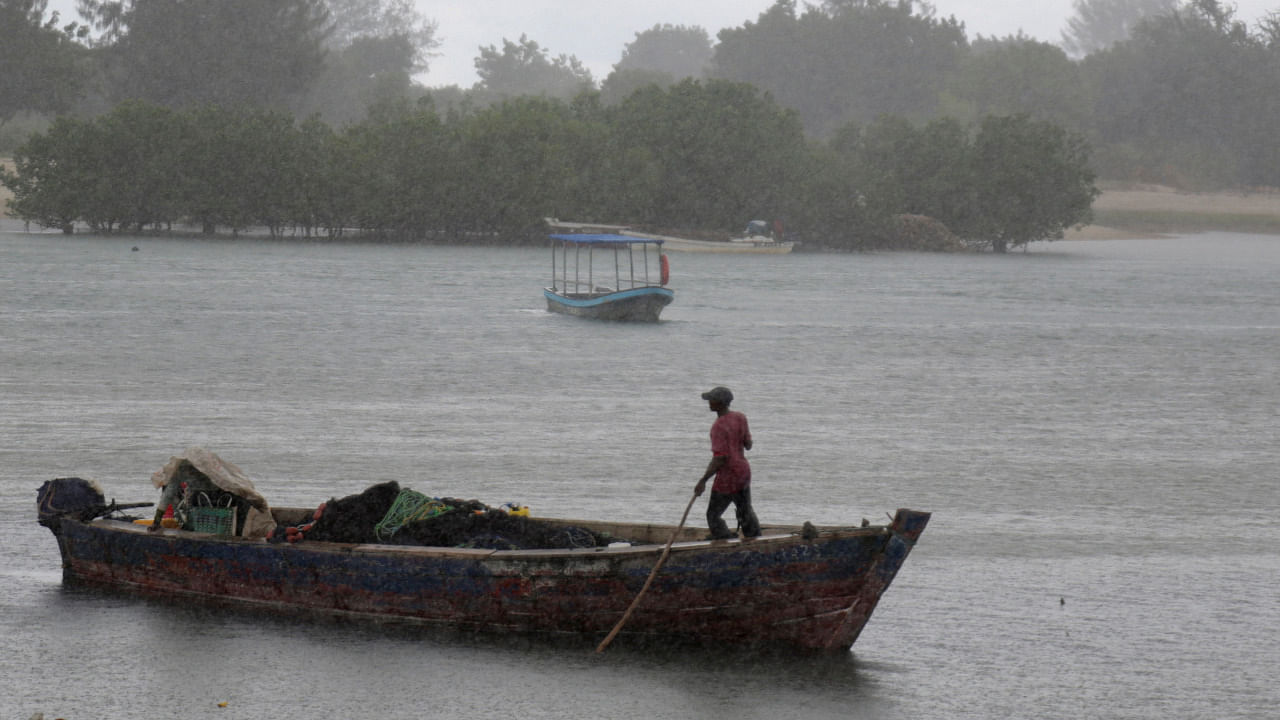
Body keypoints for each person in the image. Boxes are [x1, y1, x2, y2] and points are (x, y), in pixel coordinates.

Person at [693, 386, 761, 539]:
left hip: (728, 477)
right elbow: (748, 445)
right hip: (743, 473)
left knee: (713, 515)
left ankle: (724, 540)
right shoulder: (740, 418)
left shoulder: (718, 427)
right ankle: (754, 537)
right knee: (744, 509)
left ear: (720, 403)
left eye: (712, 400)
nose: (709, 402)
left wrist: (703, 480)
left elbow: (720, 458)